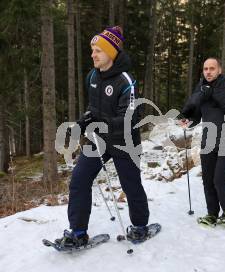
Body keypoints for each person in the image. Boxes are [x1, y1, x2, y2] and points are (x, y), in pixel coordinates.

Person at [55, 26, 151, 248]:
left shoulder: (126, 80)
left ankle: (139, 226)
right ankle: (78, 233)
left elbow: (130, 117)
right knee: (79, 180)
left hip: (125, 141)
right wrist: (83, 122)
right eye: (92, 50)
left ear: (111, 52)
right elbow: (93, 108)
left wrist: (102, 124)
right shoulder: (92, 76)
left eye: (97, 50)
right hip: (99, 140)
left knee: (131, 185)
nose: (93, 54)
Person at [179, 58, 225, 226]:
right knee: (208, 180)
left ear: (219, 70)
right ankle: (212, 214)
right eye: (205, 69)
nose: (208, 72)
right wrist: (188, 121)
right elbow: (196, 114)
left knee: (219, 179)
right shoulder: (202, 88)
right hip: (208, 139)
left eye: (212, 68)